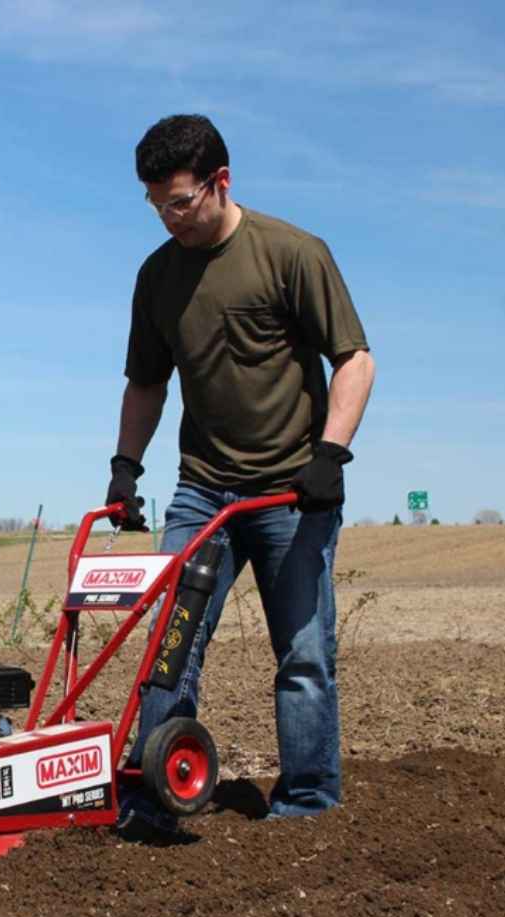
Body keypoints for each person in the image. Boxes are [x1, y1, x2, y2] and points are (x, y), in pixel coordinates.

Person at [108, 114, 375, 838]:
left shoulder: (291, 253)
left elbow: (354, 359)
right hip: (202, 488)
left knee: (304, 652)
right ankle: (152, 794)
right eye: (156, 204)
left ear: (220, 183)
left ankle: (309, 803)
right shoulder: (158, 276)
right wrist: (125, 470)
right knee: (172, 643)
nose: (169, 217)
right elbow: (146, 384)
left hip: (293, 489)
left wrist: (331, 454)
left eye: (180, 202)